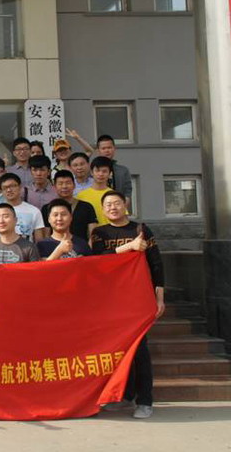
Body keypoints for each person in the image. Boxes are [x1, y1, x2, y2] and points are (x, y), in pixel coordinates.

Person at [92, 191, 165, 419]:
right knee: (119, 349)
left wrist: (159, 298)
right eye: (108, 205)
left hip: (138, 299)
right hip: (111, 300)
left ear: (126, 205)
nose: (113, 208)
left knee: (140, 349)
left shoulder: (141, 229)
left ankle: (145, 401)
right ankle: (125, 395)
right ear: (103, 209)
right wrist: (129, 247)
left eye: (116, 203)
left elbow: (156, 263)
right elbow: (98, 260)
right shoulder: (100, 232)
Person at [0, 173, 47, 242]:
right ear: (1, 191)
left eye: (12, 186)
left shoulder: (34, 211)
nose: (9, 190)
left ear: (20, 187)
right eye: (5, 188)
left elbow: (39, 240)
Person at [42, 170, 97, 242]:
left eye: (68, 183)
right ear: (54, 187)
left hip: (81, 247)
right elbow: (46, 235)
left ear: (74, 185)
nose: (64, 186)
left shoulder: (87, 207)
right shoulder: (47, 208)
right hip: (56, 247)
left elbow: (92, 234)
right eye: (60, 183)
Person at [97, 135, 133, 210]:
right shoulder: (93, 171)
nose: (107, 151)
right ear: (98, 150)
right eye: (103, 148)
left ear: (114, 149)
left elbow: (127, 191)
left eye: (109, 148)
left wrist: (123, 207)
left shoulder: (123, 170)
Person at [76, 156, 116, 226]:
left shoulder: (115, 196)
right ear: (92, 172)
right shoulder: (81, 196)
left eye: (104, 171)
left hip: (111, 231)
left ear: (110, 173)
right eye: (97, 171)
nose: (100, 174)